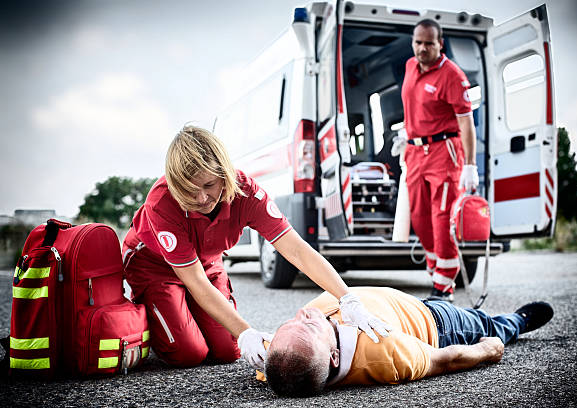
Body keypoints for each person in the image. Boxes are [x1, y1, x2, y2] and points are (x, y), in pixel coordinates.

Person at [122, 126, 392, 370]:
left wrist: (347, 298)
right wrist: (246, 332)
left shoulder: (246, 193)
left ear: (224, 173)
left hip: (205, 262)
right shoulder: (162, 202)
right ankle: (154, 313)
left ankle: (186, 314)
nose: (201, 198)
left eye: (209, 185)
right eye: (189, 190)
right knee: (188, 353)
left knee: (228, 350)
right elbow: (195, 282)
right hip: (156, 266)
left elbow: (297, 250)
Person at [263, 286, 553, 397]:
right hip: (437, 324)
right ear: (334, 357)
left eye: (289, 323)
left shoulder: (280, 358)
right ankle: (517, 321)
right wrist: (488, 350)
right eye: (310, 326)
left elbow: (272, 364)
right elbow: (445, 360)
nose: (303, 314)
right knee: (485, 324)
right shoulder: (385, 353)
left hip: (403, 302)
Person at [400, 18, 479, 301]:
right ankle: (437, 271)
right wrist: (407, 134)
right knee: (419, 219)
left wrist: (470, 164)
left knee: (442, 219)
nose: (423, 48)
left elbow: (466, 122)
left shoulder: (452, 76)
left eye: (429, 44)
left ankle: (444, 287)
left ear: (440, 44)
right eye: (418, 42)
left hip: (444, 153)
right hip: (414, 152)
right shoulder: (410, 66)